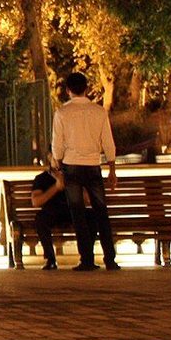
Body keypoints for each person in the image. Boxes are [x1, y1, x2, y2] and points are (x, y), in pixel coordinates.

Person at [51, 71, 119, 270]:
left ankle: (87, 259)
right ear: (86, 89)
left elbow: (57, 144)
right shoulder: (98, 112)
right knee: (101, 212)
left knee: (78, 214)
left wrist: (58, 165)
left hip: (71, 166)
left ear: (68, 90)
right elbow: (108, 142)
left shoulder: (62, 113)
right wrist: (112, 169)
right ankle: (110, 258)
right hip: (93, 166)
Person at [27, 167, 69, 269]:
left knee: (91, 216)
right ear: (50, 157)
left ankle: (87, 258)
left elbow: (87, 199)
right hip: (51, 212)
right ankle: (50, 259)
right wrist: (56, 187)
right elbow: (36, 202)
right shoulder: (41, 178)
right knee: (40, 219)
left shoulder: (73, 175)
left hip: (71, 211)